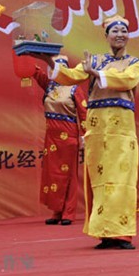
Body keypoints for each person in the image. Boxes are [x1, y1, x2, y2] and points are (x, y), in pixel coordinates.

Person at [39, 15, 139, 250]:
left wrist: (96, 74)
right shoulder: (94, 60)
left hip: (122, 129)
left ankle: (122, 234)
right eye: (115, 31)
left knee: (123, 181)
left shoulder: (135, 63)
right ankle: (104, 233)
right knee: (99, 180)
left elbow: (127, 80)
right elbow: (71, 76)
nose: (119, 34)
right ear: (106, 36)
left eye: (123, 31)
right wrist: (47, 59)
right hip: (97, 128)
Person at [33, 55, 88, 225]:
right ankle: (56, 211)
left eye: (57, 68)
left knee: (69, 175)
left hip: (68, 136)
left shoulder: (74, 89)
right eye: (51, 68)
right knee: (53, 174)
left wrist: (85, 135)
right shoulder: (49, 86)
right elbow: (34, 71)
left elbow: (84, 113)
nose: (53, 71)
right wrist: (28, 52)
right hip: (51, 138)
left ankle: (68, 213)